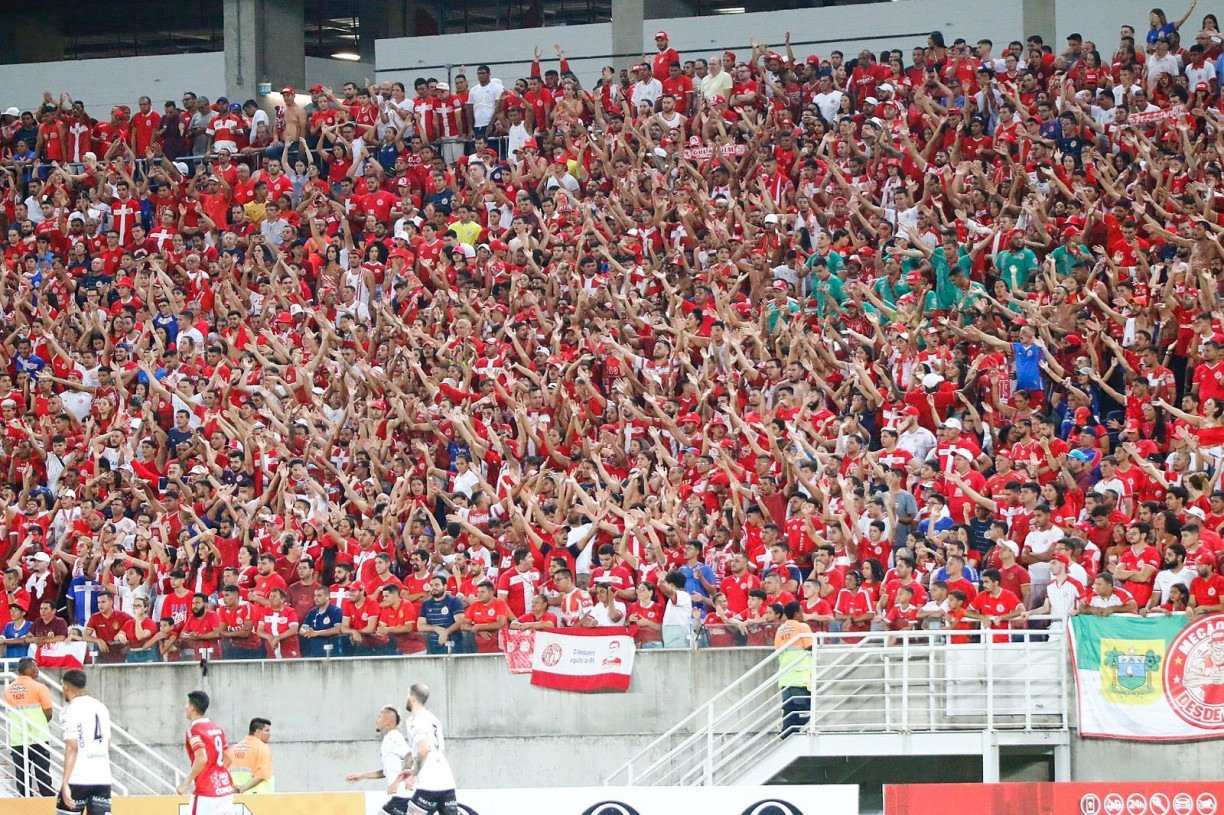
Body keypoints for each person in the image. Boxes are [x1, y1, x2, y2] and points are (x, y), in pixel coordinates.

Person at [390, 683, 458, 815]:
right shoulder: (433, 719)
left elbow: (423, 750)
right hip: (447, 782)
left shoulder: (414, 720)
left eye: (407, 695)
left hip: (429, 784)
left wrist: (413, 774)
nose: (406, 698)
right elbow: (438, 750)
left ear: (412, 698)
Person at [58, 668, 112, 815]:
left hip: (79, 778)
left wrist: (65, 783)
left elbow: (72, 747)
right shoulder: (101, 707)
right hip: (102, 778)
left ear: (65, 686)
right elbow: (106, 745)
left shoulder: (69, 710)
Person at [176, 690, 237, 814]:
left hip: (206, 793)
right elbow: (229, 758)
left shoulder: (194, 730)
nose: (185, 708)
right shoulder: (216, 727)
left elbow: (201, 758)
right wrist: (215, 772)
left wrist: (186, 783)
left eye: (187, 705)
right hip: (224, 790)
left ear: (192, 707)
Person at [345, 704, 413, 815]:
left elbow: (409, 756)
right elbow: (386, 771)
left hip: (402, 797)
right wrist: (361, 775)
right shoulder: (388, 739)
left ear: (387, 721)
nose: (377, 720)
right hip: (402, 798)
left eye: (380, 717)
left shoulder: (393, 736)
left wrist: (397, 782)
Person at [4, 656, 54, 797]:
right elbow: (48, 711)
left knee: (22, 776)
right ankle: (48, 804)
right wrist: (42, 722)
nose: (37, 669)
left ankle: (25, 805)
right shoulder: (39, 687)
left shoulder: (9, 689)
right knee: (43, 775)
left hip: (18, 737)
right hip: (38, 736)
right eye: (35, 667)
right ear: (27, 669)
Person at [775, 601, 813, 739]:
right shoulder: (803, 626)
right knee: (803, 708)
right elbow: (810, 646)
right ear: (796, 613)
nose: (803, 614)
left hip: (785, 676)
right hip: (800, 675)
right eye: (801, 611)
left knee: (788, 709)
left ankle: (787, 733)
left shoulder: (780, 629)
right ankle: (800, 732)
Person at [229, 717, 274, 794]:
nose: (269, 734)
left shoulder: (235, 748)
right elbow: (262, 774)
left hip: (235, 797)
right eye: (267, 731)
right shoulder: (262, 748)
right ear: (258, 732)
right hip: (257, 798)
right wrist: (242, 788)